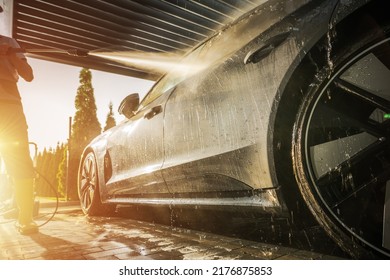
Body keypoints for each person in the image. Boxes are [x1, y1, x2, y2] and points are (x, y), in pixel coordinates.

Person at [0, 4, 38, 234]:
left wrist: (12, 57)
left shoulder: (9, 43)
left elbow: (29, 75)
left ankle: (25, 219)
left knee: (20, 163)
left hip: (11, 109)